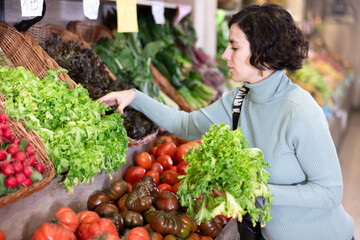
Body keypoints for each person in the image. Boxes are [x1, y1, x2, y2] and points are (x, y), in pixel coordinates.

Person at [100, 3, 355, 240]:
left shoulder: (300, 111)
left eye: (234, 47)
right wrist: (133, 96)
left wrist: (255, 189)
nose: (224, 54)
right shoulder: (239, 100)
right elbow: (186, 125)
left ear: (263, 52)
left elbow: (330, 193)